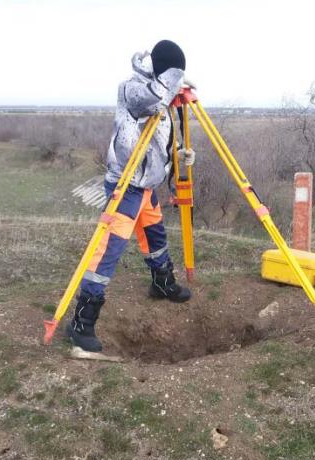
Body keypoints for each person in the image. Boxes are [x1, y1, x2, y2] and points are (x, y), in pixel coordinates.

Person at [68, 40, 195, 353]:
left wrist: (179, 154)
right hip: (125, 187)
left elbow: (159, 138)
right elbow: (151, 101)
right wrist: (173, 82)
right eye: (173, 72)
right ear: (163, 71)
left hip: (146, 186)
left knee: (155, 237)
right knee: (108, 251)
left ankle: (161, 283)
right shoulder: (132, 88)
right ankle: (82, 320)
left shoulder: (163, 92)